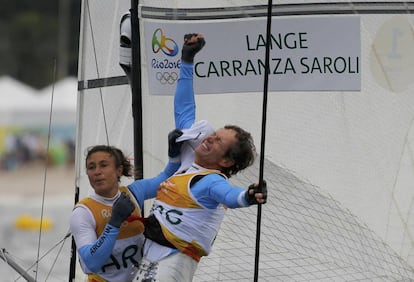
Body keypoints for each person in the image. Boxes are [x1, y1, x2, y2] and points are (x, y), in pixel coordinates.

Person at [133, 33, 268, 282]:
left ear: (226, 161)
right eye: (214, 134)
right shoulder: (191, 157)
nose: (208, 138)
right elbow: (183, 108)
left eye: (217, 141)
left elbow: (230, 196)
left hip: (173, 261)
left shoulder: (212, 181)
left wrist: (248, 197)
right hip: (150, 254)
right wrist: (186, 59)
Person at [69, 137, 183, 280]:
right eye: (91, 167)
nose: (97, 172)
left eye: (103, 165)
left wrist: (175, 157)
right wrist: (114, 223)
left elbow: (168, 177)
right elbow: (91, 264)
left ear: (119, 170)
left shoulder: (134, 193)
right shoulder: (82, 212)